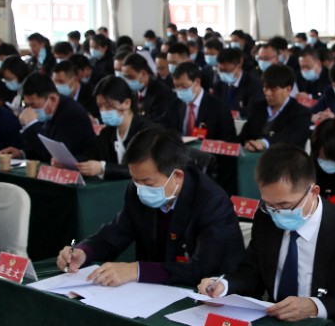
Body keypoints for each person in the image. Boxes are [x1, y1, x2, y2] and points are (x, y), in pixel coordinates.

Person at [199, 145, 335, 324]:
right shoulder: (265, 216)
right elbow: (251, 273)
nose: (277, 213)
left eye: (285, 206)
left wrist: (315, 306)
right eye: (269, 204)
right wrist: (223, 285)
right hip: (273, 321)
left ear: (313, 192)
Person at [57, 127, 245, 287]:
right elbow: (116, 233)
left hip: (204, 294)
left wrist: (137, 270)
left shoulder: (212, 202)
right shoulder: (136, 191)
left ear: (177, 176)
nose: (140, 188)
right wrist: (84, 252)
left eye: (147, 182)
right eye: (135, 179)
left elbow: (203, 268)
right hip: (153, 291)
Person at [1, 73, 96, 162]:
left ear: (52, 99)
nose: (30, 110)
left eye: (33, 105)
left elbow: (53, 155)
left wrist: (32, 125)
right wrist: (22, 154)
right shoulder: (49, 112)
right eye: (27, 105)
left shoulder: (72, 114)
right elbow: (41, 149)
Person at [79, 76, 155, 180]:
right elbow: (91, 155)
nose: (103, 111)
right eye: (100, 106)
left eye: (108, 106)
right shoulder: (106, 133)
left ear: (127, 103)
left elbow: (142, 169)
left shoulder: (147, 131)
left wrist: (103, 168)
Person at [238, 64, 311, 152]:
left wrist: (263, 143)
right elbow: (244, 136)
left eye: (273, 89)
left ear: (288, 89)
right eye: (265, 88)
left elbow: (289, 138)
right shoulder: (257, 107)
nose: (267, 93)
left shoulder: (301, 113)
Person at [165, 61, 237, 142]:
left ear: (197, 82)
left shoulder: (219, 107)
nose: (180, 90)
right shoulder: (174, 104)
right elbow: (166, 129)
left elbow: (229, 139)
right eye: (177, 86)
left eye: (184, 86)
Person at [121, 52, 176, 122]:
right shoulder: (130, 92)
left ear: (143, 73)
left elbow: (158, 122)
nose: (127, 81)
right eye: (125, 77)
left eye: (130, 77)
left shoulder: (162, 93)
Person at [211, 47, 263, 117]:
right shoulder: (219, 85)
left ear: (239, 66)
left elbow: (255, 110)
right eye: (221, 70)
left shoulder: (254, 85)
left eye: (227, 71)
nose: (223, 74)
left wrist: (238, 113)